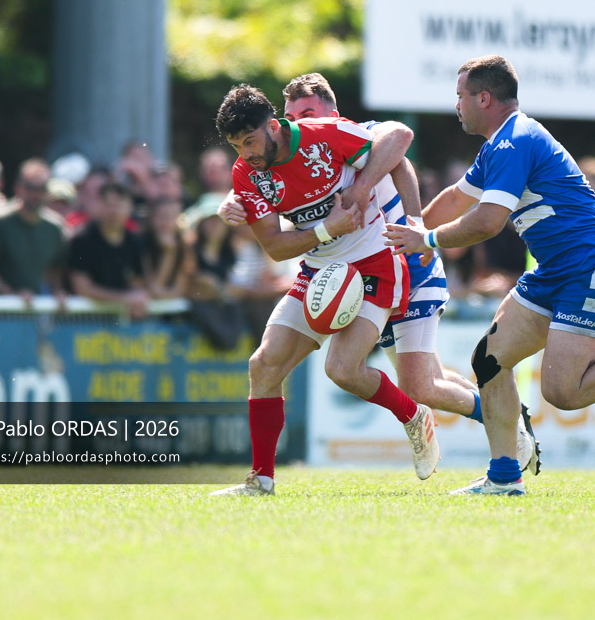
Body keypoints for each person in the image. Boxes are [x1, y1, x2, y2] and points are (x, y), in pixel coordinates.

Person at [385, 55, 595, 496]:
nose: (456, 105)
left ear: (484, 98)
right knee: (489, 361)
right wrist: (407, 230)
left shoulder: (515, 140)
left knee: (563, 393)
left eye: (460, 96)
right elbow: (457, 199)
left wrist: (426, 240)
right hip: (554, 273)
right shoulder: (498, 146)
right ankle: (504, 476)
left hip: (590, 272)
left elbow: (487, 221)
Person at [217, 72, 538, 473]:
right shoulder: (269, 157)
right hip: (336, 268)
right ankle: (502, 413)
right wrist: (234, 198)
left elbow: (400, 146)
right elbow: (263, 181)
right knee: (423, 379)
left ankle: (503, 424)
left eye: (307, 114)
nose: (298, 121)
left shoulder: (349, 133)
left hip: (405, 262)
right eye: (292, 115)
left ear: (331, 111)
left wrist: (410, 219)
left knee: (417, 384)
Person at [209, 83, 439, 496]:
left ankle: (413, 416)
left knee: (343, 370)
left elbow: (398, 153)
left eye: (250, 141)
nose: (246, 154)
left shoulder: (324, 134)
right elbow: (275, 246)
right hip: (317, 269)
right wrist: (326, 229)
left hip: (374, 262)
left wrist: (405, 214)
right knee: (263, 365)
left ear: (273, 127)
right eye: (236, 146)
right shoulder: (246, 173)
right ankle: (261, 480)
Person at [0, 158, 68, 300]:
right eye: (30, 187)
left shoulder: (55, 227)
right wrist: (13, 294)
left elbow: (55, 271)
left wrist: (57, 293)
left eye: (41, 188)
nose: (36, 194)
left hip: (36, 306)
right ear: (18, 188)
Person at [68, 181, 149, 319]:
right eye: (108, 204)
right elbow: (82, 288)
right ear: (99, 205)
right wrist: (125, 298)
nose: (114, 211)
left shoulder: (135, 242)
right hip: (83, 321)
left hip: (121, 321)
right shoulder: (82, 240)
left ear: (130, 207)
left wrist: (137, 296)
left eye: (119, 205)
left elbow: (136, 282)